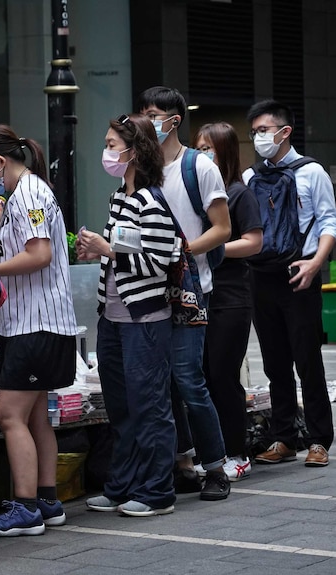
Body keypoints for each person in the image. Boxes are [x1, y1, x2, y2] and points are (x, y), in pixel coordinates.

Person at [0, 125, 76, 536]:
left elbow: (39, 253)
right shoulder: (24, 193)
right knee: (34, 417)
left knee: (7, 413)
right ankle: (47, 500)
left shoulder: (29, 192)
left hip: (37, 323)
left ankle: (26, 507)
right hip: (34, 322)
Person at [77, 114, 177, 516]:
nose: (107, 152)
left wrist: (109, 251)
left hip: (145, 321)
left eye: (112, 144)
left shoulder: (151, 200)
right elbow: (122, 253)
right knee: (120, 407)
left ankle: (158, 492)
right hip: (115, 318)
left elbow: (158, 262)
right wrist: (100, 252)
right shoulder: (121, 196)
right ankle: (122, 486)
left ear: (135, 151)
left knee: (149, 406)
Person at [136, 86, 232, 500]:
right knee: (164, 382)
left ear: (174, 120)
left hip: (191, 289)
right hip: (148, 289)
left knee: (189, 379)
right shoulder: (139, 166)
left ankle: (217, 469)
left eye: (154, 114)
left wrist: (182, 252)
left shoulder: (199, 167)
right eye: (143, 113)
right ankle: (183, 462)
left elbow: (223, 229)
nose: (147, 120)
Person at [243, 100, 336, 467]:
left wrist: (315, 265)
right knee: (274, 360)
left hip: (301, 274)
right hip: (261, 274)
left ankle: (319, 439)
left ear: (285, 131)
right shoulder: (251, 177)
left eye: (264, 130)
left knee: (307, 359)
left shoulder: (311, 172)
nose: (258, 138)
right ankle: (284, 437)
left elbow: (330, 222)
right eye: (254, 132)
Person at [194, 122, 263, 480]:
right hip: (201, 295)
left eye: (208, 147)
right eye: (198, 147)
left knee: (223, 376)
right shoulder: (200, 194)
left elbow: (253, 242)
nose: (202, 153)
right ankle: (212, 452)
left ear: (225, 151)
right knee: (202, 376)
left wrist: (210, 248)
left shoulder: (239, 193)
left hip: (231, 298)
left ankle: (237, 451)